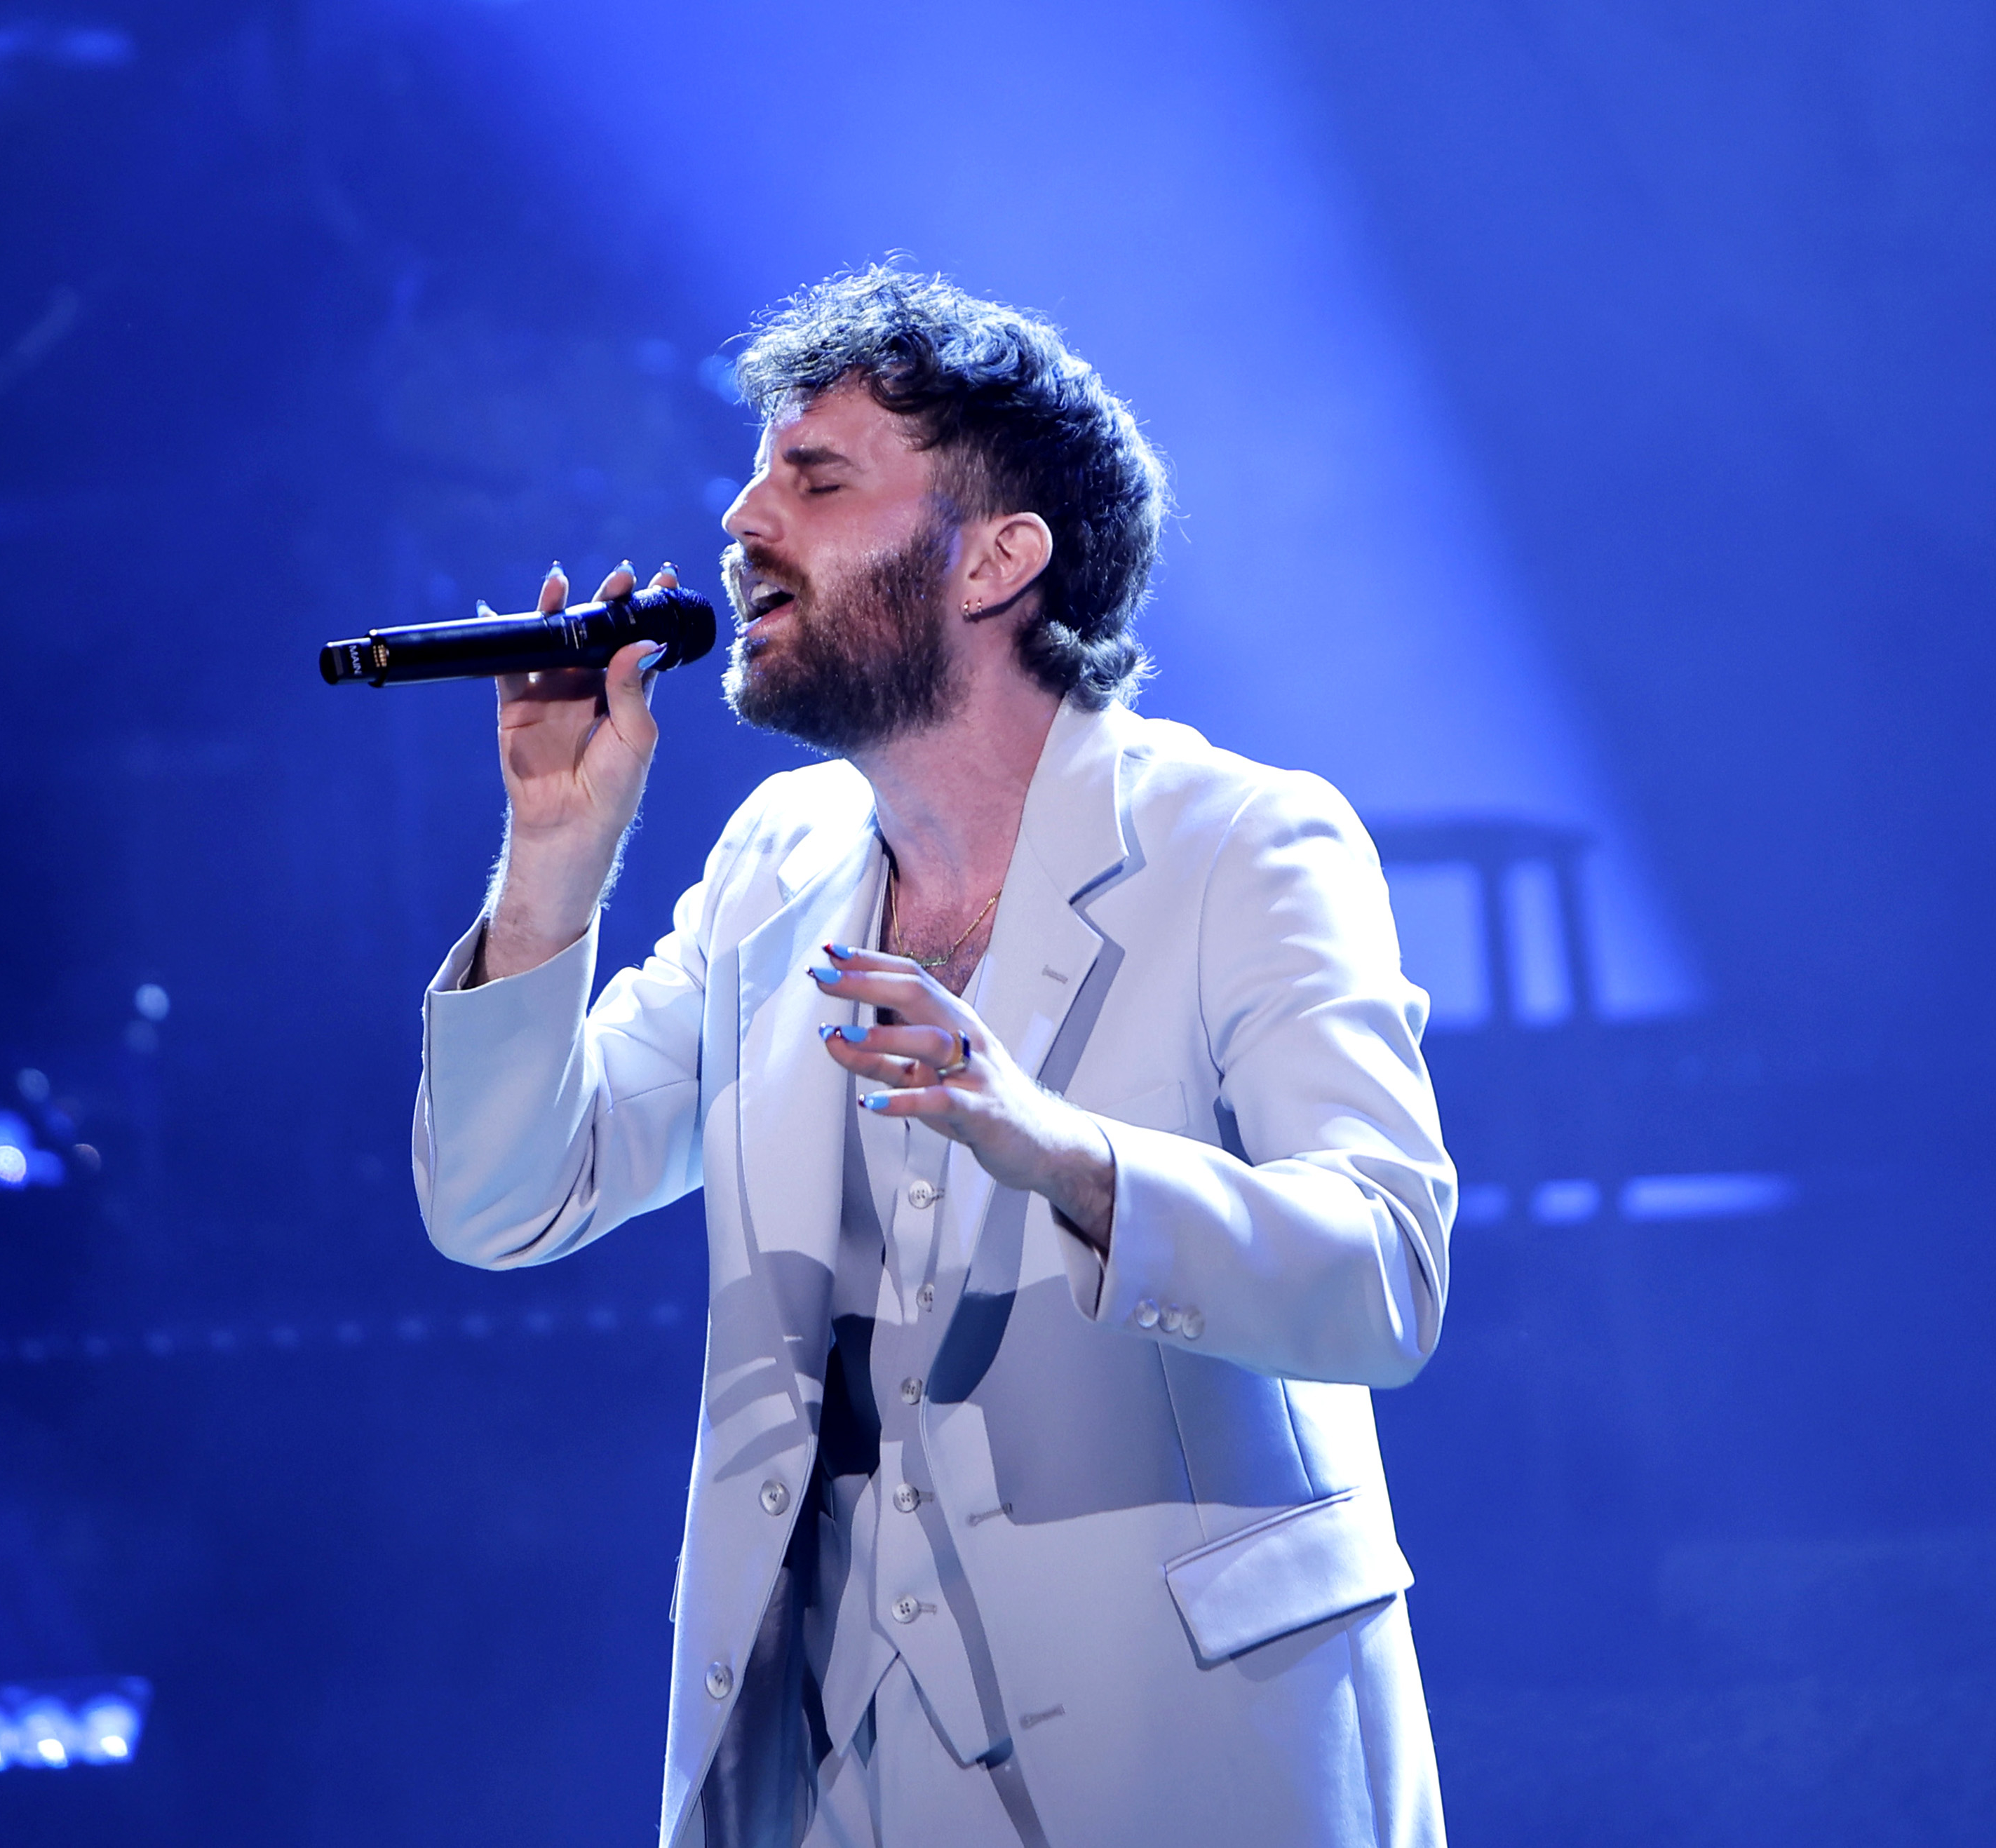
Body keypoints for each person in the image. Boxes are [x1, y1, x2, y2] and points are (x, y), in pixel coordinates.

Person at [414, 267, 1454, 1848]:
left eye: (814, 479)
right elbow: (504, 1198)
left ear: (997, 557)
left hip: (1179, 1760)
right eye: (753, 474)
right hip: (826, 1765)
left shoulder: (1241, 842)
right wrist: (553, 854)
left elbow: (1384, 1274)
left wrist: (1065, 1151)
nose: (742, 520)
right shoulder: (775, 861)